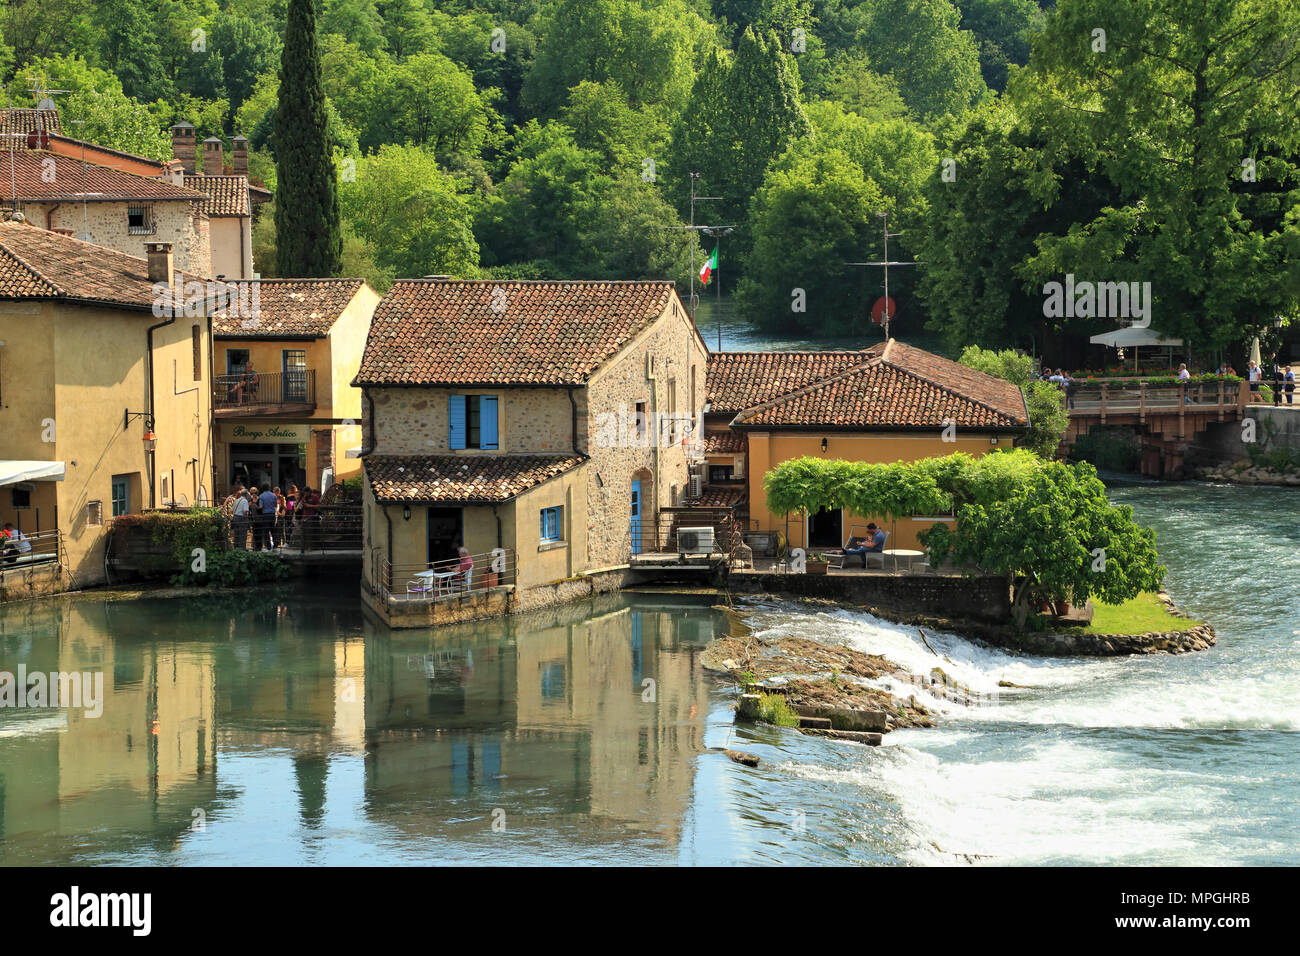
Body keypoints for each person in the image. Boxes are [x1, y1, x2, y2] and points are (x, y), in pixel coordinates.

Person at [256, 483, 278, 549]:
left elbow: (261, 506)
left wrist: (256, 507)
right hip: (272, 515)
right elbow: (275, 506)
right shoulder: (274, 496)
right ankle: (275, 544)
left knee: (266, 531)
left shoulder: (261, 496)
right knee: (273, 530)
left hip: (265, 515)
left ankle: (268, 546)